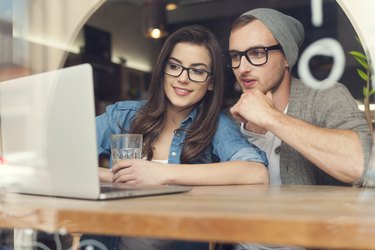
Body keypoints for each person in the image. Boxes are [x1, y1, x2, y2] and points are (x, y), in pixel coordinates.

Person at [82, 25, 268, 250]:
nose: (182, 78)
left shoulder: (216, 125)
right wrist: (117, 177)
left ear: (211, 83)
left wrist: (161, 174)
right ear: (162, 70)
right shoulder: (124, 116)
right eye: (174, 66)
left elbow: (255, 172)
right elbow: (59, 158)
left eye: (197, 71)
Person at [228, 8, 373, 187]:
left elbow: (363, 163)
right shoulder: (231, 121)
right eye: (235, 56)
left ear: (287, 57)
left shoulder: (324, 96)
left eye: (257, 53)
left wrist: (270, 117)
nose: (242, 68)